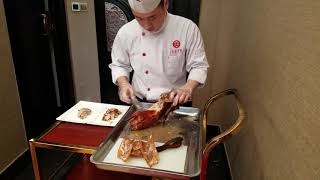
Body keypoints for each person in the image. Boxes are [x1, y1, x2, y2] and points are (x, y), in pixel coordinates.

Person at [109, 0, 209, 106]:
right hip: (139, 102)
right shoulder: (126, 32)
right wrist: (123, 84)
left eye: (152, 17)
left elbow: (198, 66)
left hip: (175, 102)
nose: (147, 25)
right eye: (139, 18)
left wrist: (188, 88)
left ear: (166, 4)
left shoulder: (187, 28)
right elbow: (119, 65)